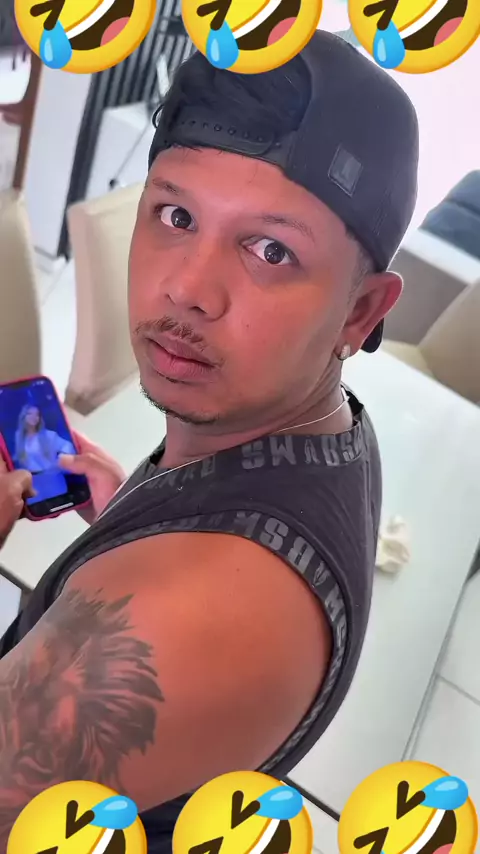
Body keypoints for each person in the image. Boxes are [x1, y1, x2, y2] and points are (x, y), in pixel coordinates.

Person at [0, 31, 419, 852]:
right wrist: (136, 518)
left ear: (363, 310)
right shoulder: (327, 423)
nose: (188, 288)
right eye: (177, 215)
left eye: (271, 250)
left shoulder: (178, 620)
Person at [14, 404, 75, 473]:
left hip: (50, 474)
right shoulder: (19, 436)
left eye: (37, 414)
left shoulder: (49, 435)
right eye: (30, 413)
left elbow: (68, 445)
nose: (33, 417)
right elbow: (20, 456)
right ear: (24, 416)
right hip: (31, 476)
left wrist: (60, 460)